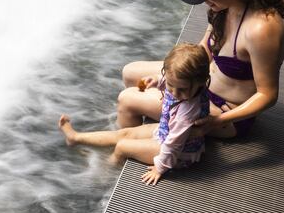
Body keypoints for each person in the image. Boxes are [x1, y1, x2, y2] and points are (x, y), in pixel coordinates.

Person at [118, 0, 284, 138]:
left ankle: (135, 146)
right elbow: (204, 52)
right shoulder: (224, 7)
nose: (204, 1)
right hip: (201, 83)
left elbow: (268, 95)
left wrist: (217, 122)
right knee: (130, 73)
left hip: (224, 113)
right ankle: (158, 128)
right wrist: (166, 78)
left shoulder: (262, 29)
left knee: (127, 100)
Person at [59, 43, 210, 185]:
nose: (175, 93)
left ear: (201, 83)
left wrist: (160, 167)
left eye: (182, 89)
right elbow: (171, 81)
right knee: (124, 134)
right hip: (165, 132)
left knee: (122, 147)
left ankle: (102, 178)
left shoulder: (187, 111)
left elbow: (173, 145)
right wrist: (157, 81)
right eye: (170, 85)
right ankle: (75, 138)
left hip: (179, 154)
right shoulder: (180, 85)